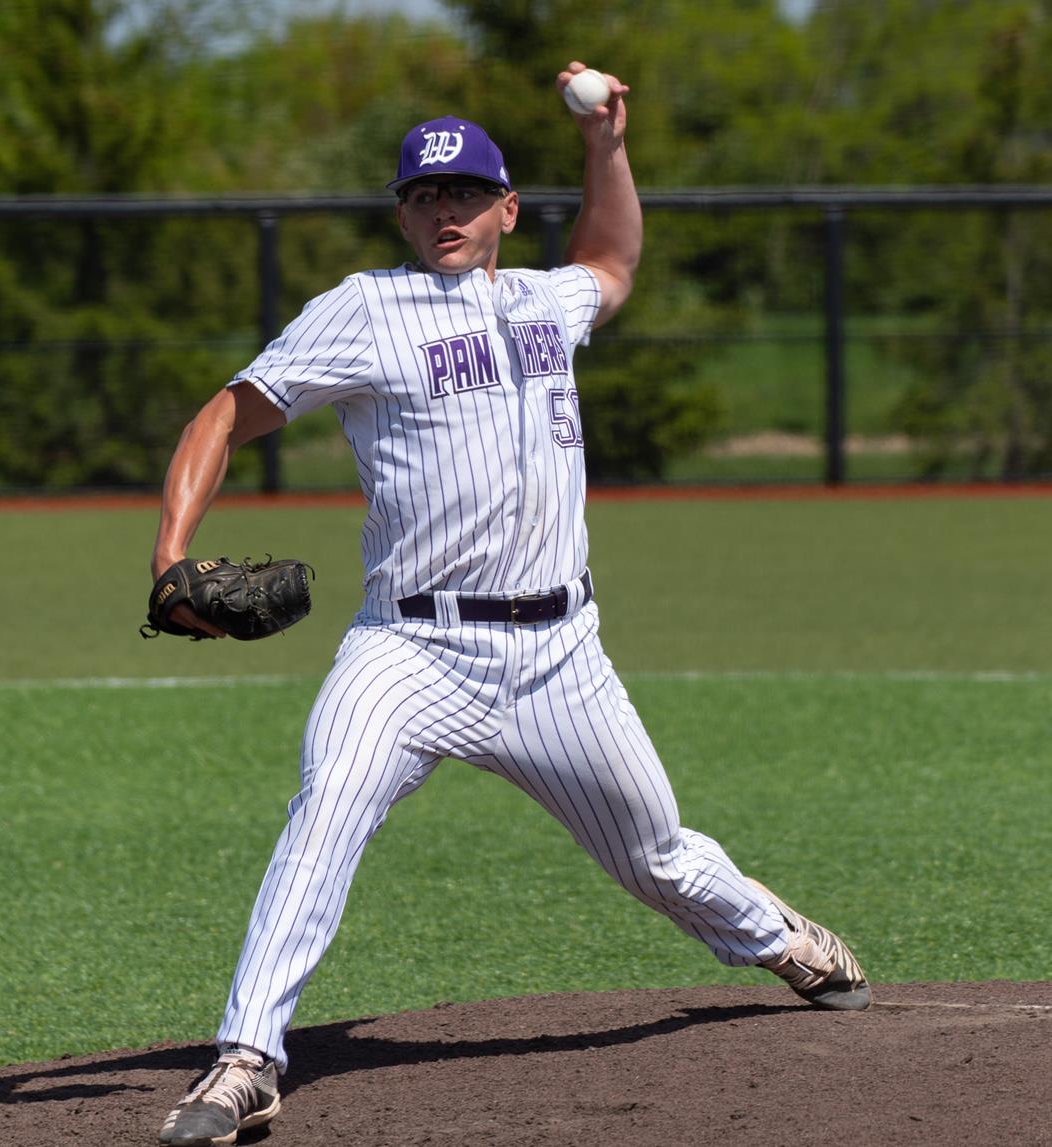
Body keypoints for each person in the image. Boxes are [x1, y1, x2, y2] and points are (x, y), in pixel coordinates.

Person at [149, 62, 869, 1147]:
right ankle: (248, 1058)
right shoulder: (364, 310)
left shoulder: (544, 299)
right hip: (410, 649)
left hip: (559, 657)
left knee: (655, 854)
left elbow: (612, 261)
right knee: (326, 812)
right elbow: (219, 415)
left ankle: (774, 935)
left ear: (507, 209)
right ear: (402, 214)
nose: (444, 211)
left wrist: (607, 146)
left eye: (466, 193)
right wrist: (170, 554)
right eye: (422, 195)